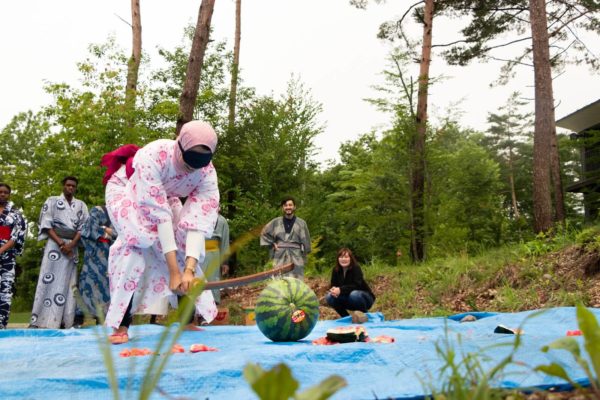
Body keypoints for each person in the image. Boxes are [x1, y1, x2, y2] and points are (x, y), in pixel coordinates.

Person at [102, 120, 220, 344]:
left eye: (199, 164)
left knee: (182, 244)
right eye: (189, 162)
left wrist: (188, 269)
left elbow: (197, 221)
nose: (192, 170)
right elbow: (160, 217)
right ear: (180, 147)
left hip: (164, 197)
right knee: (138, 241)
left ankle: (186, 319)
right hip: (128, 189)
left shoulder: (207, 173)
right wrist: (174, 271)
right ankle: (121, 324)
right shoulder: (154, 156)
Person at [30, 176, 89, 329]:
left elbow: (84, 227)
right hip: (54, 246)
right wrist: (61, 243)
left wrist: (72, 244)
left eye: (73, 186)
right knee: (47, 280)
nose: (70, 188)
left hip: (72, 245)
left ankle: (65, 321)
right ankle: (38, 320)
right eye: (68, 185)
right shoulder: (52, 201)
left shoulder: (81, 205)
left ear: (75, 188)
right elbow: (46, 224)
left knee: (69, 283)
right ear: (63, 186)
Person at [76, 205, 116, 324]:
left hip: (112, 253)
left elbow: (123, 234)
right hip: (95, 252)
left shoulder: (120, 213)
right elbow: (89, 230)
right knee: (88, 282)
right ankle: (79, 317)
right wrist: (110, 234)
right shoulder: (97, 210)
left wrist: (105, 229)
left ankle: (101, 317)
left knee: (106, 285)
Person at [260, 196, 311, 279]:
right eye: (285, 205)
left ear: (294, 207)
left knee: (296, 282)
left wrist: (304, 255)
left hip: (296, 256)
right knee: (279, 281)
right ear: (283, 207)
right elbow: (264, 232)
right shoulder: (276, 222)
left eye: (290, 205)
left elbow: (306, 241)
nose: (288, 207)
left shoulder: (302, 223)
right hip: (280, 256)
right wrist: (272, 243)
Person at [0, 183, 27, 329]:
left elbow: (15, 237)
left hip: (7, 258)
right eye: (0, 192)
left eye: (5, 192)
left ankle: (1, 325)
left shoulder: (15, 215)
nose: (2, 194)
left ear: (9, 195)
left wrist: (1, 250)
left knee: (5, 291)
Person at [325, 248, 375, 323]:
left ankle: (364, 315)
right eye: (341, 257)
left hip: (363, 298)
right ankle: (347, 318)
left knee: (354, 294)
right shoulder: (335, 270)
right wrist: (333, 290)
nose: (343, 259)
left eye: (346, 257)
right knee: (329, 296)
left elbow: (357, 285)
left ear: (350, 258)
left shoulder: (356, 268)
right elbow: (333, 285)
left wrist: (340, 290)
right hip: (347, 298)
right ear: (338, 259)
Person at [200, 210, 230, 304]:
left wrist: (225, 262)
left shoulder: (222, 220)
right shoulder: (197, 217)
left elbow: (225, 242)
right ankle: (197, 309)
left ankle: (213, 304)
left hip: (214, 254)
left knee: (213, 280)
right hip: (198, 253)